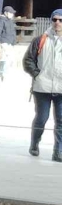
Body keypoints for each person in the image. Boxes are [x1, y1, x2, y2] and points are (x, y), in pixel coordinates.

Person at [25, 10, 62, 161]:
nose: (57, 23)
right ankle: (34, 143)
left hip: (61, 88)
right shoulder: (40, 39)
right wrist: (37, 75)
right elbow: (28, 60)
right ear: (51, 20)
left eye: (60, 20)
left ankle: (58, 152)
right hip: (42, 87)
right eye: (55, 19)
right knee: (42, 117)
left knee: (61, 120)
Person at [0, 5, 17, 78]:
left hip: (10, 41)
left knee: (5, 58)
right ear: (6, 13)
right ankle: (2, 73)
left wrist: (14, 41)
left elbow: (13, 32)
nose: (12, 14)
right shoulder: (1, 20)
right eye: (10, 13)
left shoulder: (10, 21)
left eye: (12, 13)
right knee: (8, 58)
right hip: (4, 41)